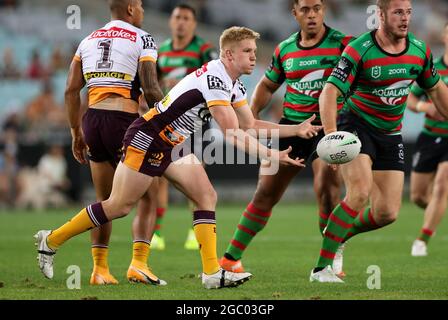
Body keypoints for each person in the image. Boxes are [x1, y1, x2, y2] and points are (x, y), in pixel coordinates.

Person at [35, 26, 322, 289]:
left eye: (254, 52)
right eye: (247, 51)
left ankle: (211, 274)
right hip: (148, 137)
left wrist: (297, 128)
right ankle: (51, 240)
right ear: (229, 54)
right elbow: (233, 134)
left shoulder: (234, 84)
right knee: (119, 206)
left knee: (206, 195)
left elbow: (250, 125)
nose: (253, 57)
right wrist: (273, 155)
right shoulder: (215, 78)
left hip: (170, 143)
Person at [311, 0, 448, 283]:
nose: (405, 18)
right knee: (360, 192)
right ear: (381, 15)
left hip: (390, 133)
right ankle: (322, 269)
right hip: (356, 125)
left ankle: (338, 234)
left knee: (387, 213)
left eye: (409, 12)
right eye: (398, 12)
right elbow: (328, 92)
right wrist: (331, 135)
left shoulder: (419, 50)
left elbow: (436, 89)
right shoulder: (360, 50)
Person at [219, 0, 353, 277]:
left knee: (327, 188)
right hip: (291, 128)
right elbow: (268, 85)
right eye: (305, 9)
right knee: (265, 193)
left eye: (317, 8)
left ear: (324, 10)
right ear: (295, 13)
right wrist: (251, 116)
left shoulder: (343, 45)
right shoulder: (285, 49)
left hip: (329, 127)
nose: (312, 14)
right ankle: (231, 259)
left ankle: (330, 261)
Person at [64, 0, 166, 285]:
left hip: (93, 121)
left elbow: (71, 90)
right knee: (150, 194)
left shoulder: (88, 39)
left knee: (104, 201)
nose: (143, 12)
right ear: (131, 8)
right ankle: (139, 264)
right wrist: (170, 115)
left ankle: (99, 269)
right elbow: (150, 87)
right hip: (123, 122)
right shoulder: (143, 38)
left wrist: (75, 131)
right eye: (142, 6)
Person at [152, 3, 218, 251]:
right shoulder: (163, 51)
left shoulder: (203, 50)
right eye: (177, 17)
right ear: (171, 21)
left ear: (194, 23)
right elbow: (154, 84)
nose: (181, 22)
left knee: (195, 177)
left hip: (197, 124)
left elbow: (214, 81)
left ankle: (194, 231)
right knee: (159, 176)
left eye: (186, 18)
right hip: (168, 123)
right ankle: (157, 232)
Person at [408, 21, 448, 257]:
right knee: (418, 196)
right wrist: (425, 106)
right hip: (430, 136)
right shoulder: (432, 69)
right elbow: (410, 100)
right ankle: (436, 210)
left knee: (443, 182)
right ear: (444, 38)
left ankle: (422, 239)